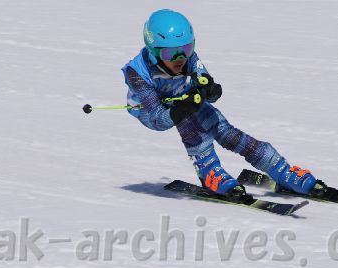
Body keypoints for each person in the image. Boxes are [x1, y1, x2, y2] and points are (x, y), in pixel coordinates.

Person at [122, 9, 326, 197]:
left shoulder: (188, 57)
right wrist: (184, 107)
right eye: (170, 53)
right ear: (154, 51)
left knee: (224, 130)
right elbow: (158, 121)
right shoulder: (136, 73)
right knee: (188, 123)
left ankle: (280, 169)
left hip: (182, 98)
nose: (180, 58)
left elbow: (204, 81)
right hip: (149, 111)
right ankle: (209, 172)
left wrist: (210, 89)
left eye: (186, 48)